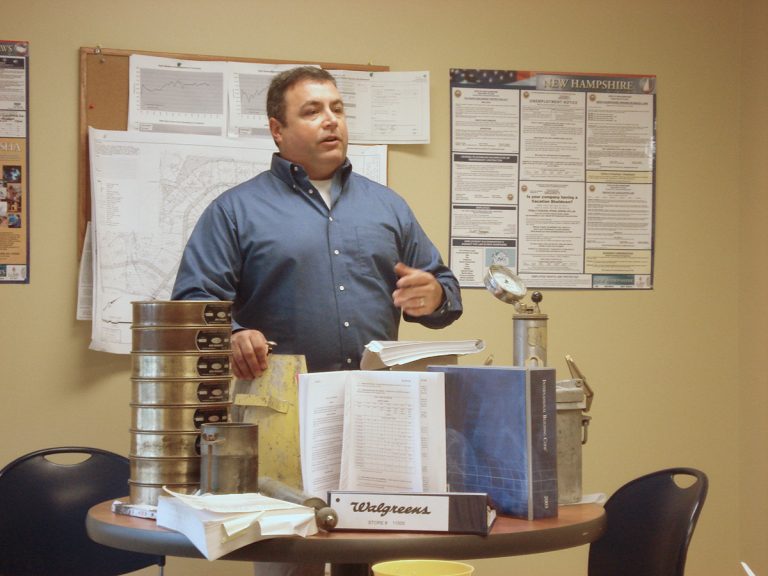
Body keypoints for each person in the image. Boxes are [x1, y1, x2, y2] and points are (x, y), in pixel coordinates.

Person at [172, 66, 463, 576]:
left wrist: (434, 293)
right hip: (284, 418)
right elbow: (194, 306)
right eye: (312, 111)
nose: (330, 121)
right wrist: (235, 334)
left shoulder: (387, 206)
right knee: (292, 563)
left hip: (375, 416)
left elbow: (447, 294)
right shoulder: (235, 211)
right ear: (277, 130)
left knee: (371, 560)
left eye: (336, 109)